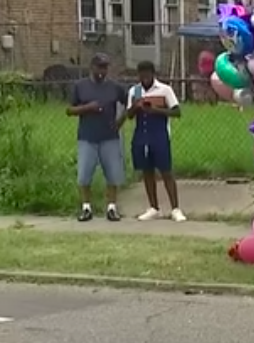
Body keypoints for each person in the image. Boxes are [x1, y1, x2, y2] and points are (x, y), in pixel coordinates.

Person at [67, 53, 128, 222]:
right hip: (87, 137)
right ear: (92, 67)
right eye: (100, 67)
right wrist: (87, 108)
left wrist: (119, 122)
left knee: (113, 174)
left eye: (105, 67)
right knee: (84, 175)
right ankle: (86, 208)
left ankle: (112, 208)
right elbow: (69, 110)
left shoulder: (114, 87)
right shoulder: (81, 86)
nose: (103, 71)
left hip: (109, 137)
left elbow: (129, 104)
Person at [126, 61, 186, 222]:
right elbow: (129, 115)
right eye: (141, 75)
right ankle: (154, 207)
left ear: (153, 74)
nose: (144, 79)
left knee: (166, 171)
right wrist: (136, 106)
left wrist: (155, 110)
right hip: (141, 135)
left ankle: (175, 208)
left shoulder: (165, 90)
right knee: (147, 172)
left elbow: (176, 112)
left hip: (159, 135)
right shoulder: (134, 91)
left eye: (147, 75)